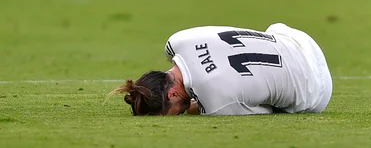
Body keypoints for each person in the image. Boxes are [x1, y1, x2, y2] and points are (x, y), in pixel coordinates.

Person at [110, 23, 333, 116]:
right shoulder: (176, 41)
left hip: (317, 91)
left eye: (171, 112)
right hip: (298, 39)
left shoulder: (214, 104)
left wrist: (196, 107)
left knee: (279, 104)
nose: (177, 113)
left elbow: (266, 110)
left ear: (172, 94)